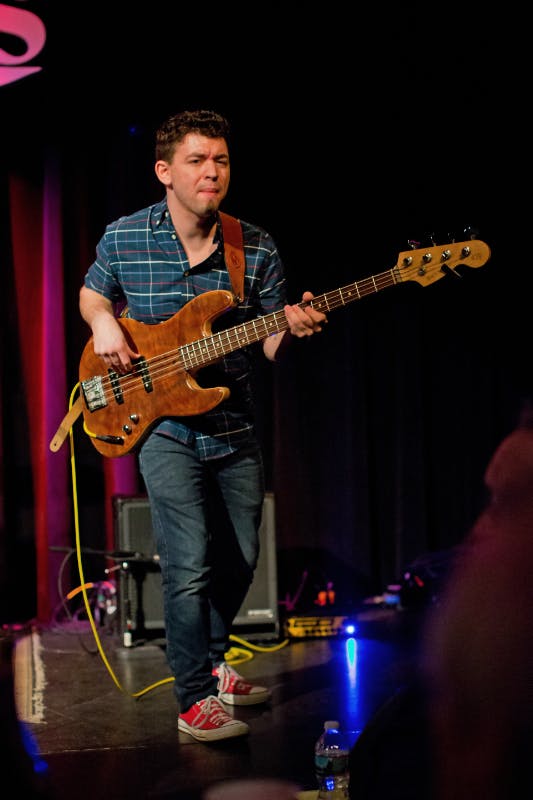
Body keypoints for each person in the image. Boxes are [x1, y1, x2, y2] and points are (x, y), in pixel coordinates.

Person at [78, 109, 326, 742]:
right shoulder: (126, 236)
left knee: (242, 558)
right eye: (197, 160)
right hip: (161, 426)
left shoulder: (255, 246)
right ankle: (193, 699)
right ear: (165, 171)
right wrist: (104, 323)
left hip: (232, 423)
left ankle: (214, 663)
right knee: (187, 564)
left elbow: (269, 343)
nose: (212, 171)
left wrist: (292, 329)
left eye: (220, 160)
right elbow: (93, 294)